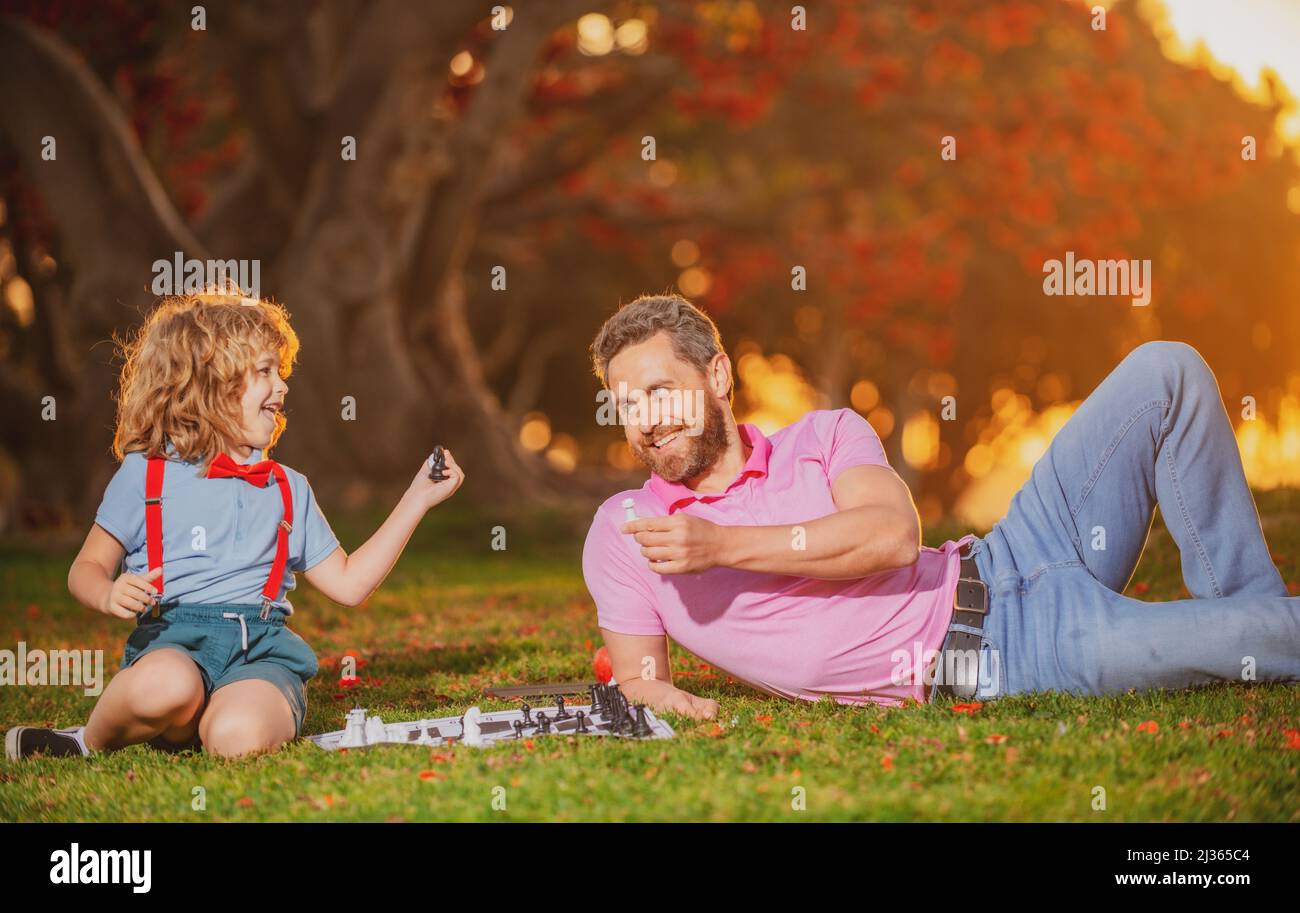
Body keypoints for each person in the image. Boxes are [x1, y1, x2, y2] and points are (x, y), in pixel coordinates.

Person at [582, 293, 1300, 719]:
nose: (644, 419)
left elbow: (893, 537)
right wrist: (651, 695)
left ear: (716, 375)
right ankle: (1253, 630)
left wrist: (721, 546)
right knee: (1268, 634)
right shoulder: (626, 529)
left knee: (1164, 371)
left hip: (1015, 551)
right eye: (625, 404)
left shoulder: (825, 434)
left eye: (658, 390)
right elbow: (643, 679)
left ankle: (1245, 611)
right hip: (1006, 654)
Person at [5, 289, 463, 760]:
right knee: (167, 685)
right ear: (208, 384)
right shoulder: (148, 473)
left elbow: (349, 586)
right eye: (265, 371)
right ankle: (85, 741)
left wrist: (417, 499)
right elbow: (85, 568)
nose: (282, 386)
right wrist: (106, 592)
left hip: (260, 654)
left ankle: (218, 715)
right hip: (173, 646)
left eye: (280, 373)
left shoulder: (288, 487)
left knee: (236, 738)